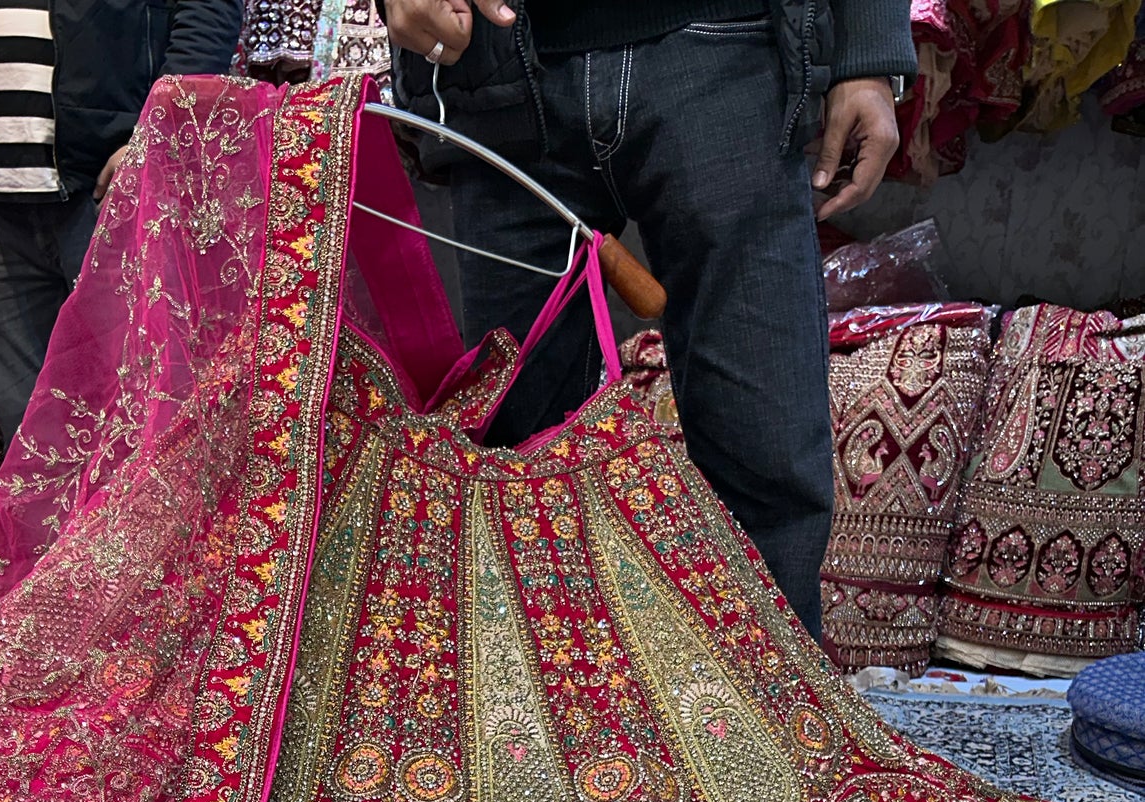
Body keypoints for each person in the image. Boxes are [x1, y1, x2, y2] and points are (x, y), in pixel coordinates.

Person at [383, 0, 915, 640]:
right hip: (495, 68)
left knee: (765, 455)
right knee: (513, 476)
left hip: (726, 43)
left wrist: (868, 48)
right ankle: (550, 731)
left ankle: (770, 731)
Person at [0, 0, 245, 444]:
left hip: (106, 184)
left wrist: (157, 131)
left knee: (139, 419)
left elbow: (208, 11)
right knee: (27, 440)